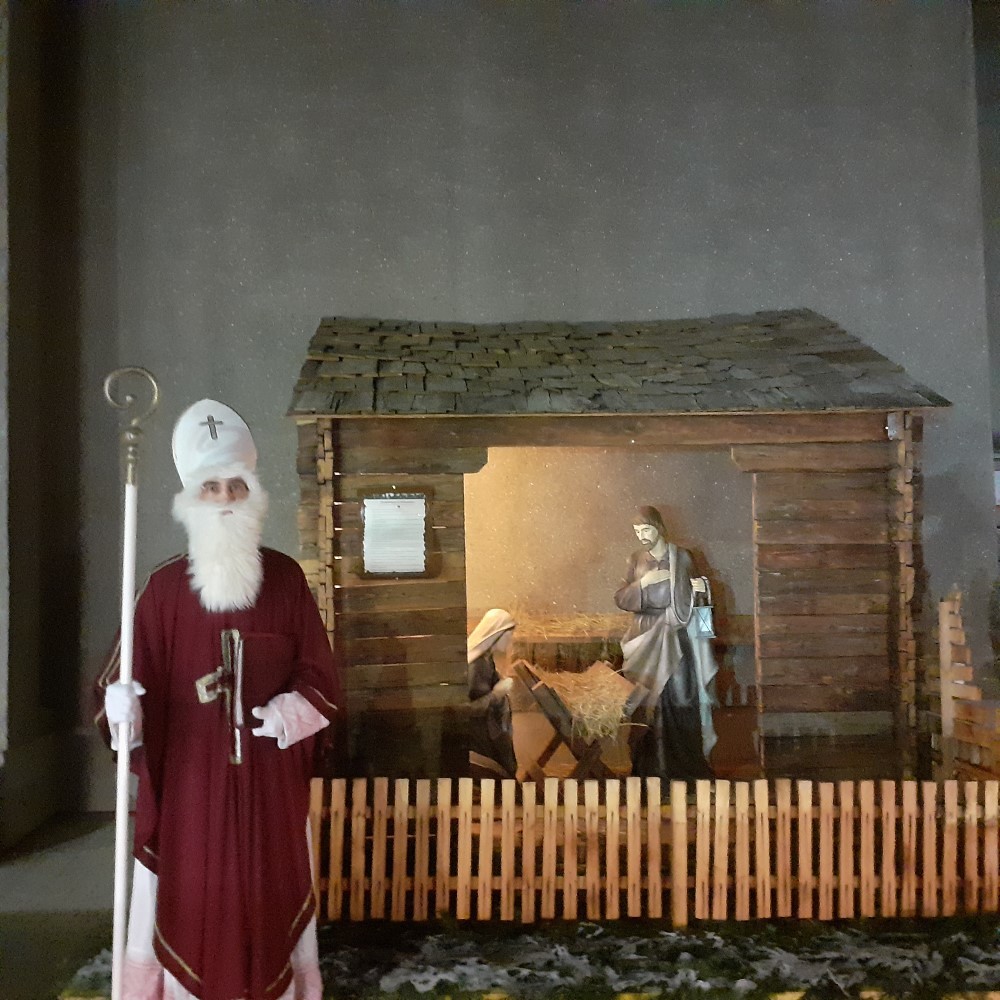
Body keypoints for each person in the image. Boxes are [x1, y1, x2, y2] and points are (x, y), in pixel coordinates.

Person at [95, 399, 342, 1000]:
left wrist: (290, 712)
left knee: (268, 892)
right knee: (190, 892)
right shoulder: (161, 592)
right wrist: (123, 713)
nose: (226, 497)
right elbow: (121, 685)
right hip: (188, 788)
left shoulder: (286, 581)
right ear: (191, 499)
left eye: (237, 484)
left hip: (269, 786)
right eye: (211, 486)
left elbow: (320, 675)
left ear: (254, 493)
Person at [613, 506, 717, 780]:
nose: (641, 536)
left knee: (683, 700)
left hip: (677, 639)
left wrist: (703, 599)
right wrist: (643, 583)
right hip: (645, 639)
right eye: (637, 531)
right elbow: (621, 597)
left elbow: (699, 599)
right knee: (648, 704)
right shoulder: (636, 559)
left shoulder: (682, 558)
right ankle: (648, 772)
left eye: (646, 529)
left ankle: (686, 772)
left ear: (658, 527)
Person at [466, 608, 517, 778]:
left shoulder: (486, 659)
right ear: (496, 634)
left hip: (488, 727)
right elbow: (464, 709)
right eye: (508, 635)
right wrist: (496, 694)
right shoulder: (476, 665)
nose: (510, 640)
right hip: (478, 733)